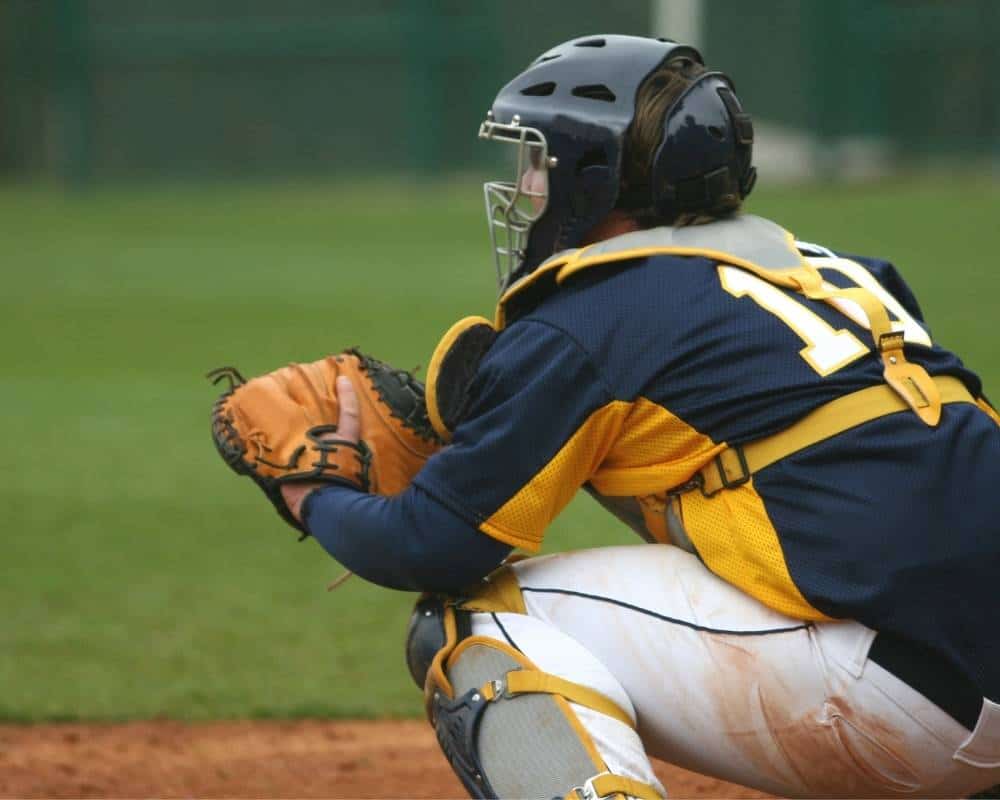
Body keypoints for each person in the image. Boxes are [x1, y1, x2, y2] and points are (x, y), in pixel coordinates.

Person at [281, 34, 1000, 799]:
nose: (524, 186)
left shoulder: (591, 318)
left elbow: (430, 547)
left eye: (537, 161)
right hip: (962, 664)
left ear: (590, 182)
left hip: (909, 714)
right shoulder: (844, 274)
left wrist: (313, 496)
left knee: (469, 620)